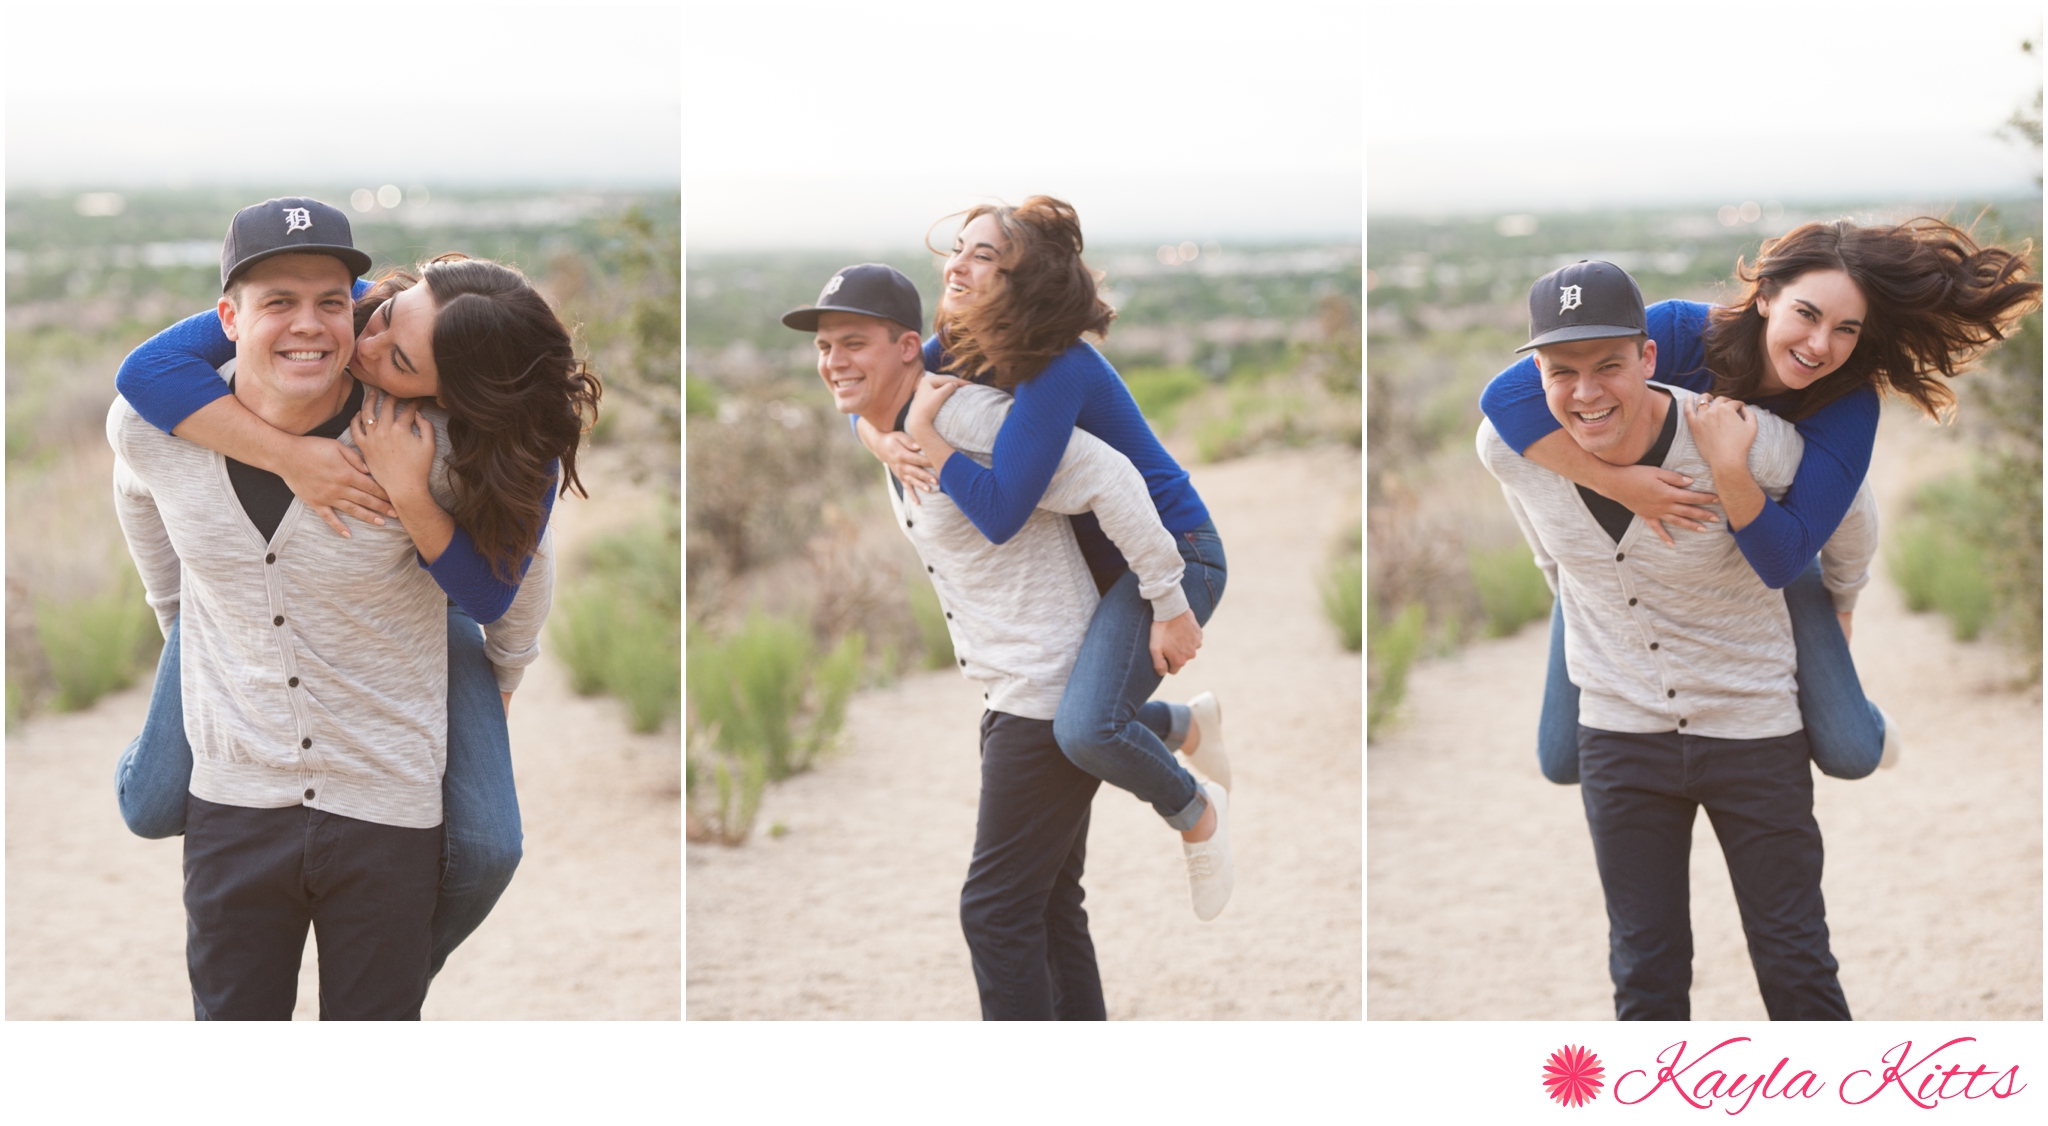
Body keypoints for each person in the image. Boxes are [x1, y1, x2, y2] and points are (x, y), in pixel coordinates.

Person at [109, 197, 598, 982]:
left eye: (398, 361)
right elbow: (143, 375)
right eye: (380, 319)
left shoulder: (501, 448)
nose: (362, 346)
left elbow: (494, 592)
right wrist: (287, 457)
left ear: (452, 394)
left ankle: (399, 961)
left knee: (485, 846)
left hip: (435, 608)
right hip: (229, 613)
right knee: (150, 804)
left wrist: (412, 498)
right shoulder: (359, 311)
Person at [786, 263, 1211, 1019]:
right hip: (1013, 688)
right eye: (823, 347)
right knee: (1048, 905)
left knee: (995, 912)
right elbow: (863, 409)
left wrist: (1167, 599)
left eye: (853, 343)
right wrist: (876, 436)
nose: (834, 362)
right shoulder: (894, 420)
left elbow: (1111, 478)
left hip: (1044, 692)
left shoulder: (964, 417)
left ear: (910, 346)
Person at [1480, 219, 2039, 785]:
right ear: (1767, 297)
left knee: (1850, 752)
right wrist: (1619, 484)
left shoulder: (1848, 405)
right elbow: (1503, 398)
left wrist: (1836, 595)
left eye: (1846, 329)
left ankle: (1866, 721)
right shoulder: (1678, 333)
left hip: (1767, 544)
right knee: (1560, 759)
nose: (1821, 345)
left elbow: (1788, 556)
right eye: (1808, 314)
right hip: (1625, 559)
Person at [1478, 260, 1876, 1020]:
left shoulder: (1752, 440)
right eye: (1562, 371)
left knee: (1795, 959)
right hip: (1622, 734)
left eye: (1609, 366)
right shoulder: (1510, 448)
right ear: (1535, 371)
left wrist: (1843, 601)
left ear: (1649, 357)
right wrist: (1607, 511)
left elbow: (1848, 517)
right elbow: (1543, 532)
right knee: (1644, 970)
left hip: (1752, 726)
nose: (1587, 391)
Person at [851, 197, 1233, 918]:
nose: (957, 265)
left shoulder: (1059, 370)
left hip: (1175, 552)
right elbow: (866, 391)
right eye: (958, 249)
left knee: (1084, 728)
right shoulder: (957, 348)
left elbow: (999, 513)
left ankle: (1195, 810)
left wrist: (1173, 608)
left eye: (984, 255)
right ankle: (1181, 726)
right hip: (1114, 560)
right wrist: (879, 440)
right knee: (1082, 719)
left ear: (1024, 279)